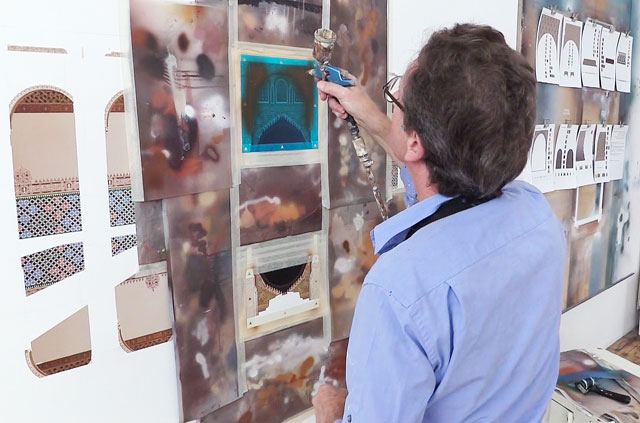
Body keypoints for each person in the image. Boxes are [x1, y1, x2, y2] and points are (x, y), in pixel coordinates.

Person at [312, 24, 566, 423]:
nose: (390, 104)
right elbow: (442, 184)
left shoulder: (398, 292)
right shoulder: (536, 217)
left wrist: (330, 412)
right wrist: (375, 115)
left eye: (394, 95)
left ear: (417, 142)